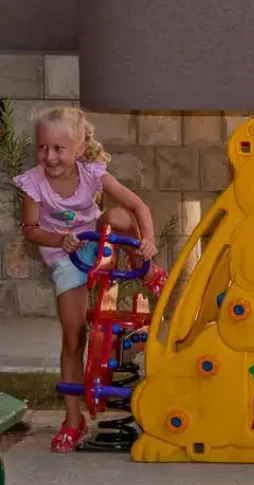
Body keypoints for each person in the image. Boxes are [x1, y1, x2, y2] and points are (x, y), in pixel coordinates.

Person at [14, 107, 167, 453]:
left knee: (117, 215)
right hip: (64, 255)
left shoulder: (92, 173)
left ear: (80, 148)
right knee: (73, 337)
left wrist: (148, 241)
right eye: (42, 147)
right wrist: (60, 239)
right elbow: (31, 229)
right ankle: (73, 420)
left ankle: (144, 267)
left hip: (98, 243)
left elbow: (139, 207)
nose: (49, 156)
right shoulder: (33, 183)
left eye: (59, 148)